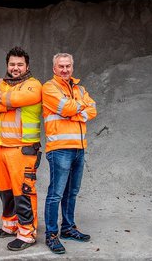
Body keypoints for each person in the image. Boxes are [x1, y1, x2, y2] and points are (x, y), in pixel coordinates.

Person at [0, 46, 42, 251]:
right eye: (12, 64)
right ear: (7, 65)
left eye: (20, 64)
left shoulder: (33, 85)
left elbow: (18, 99)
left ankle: (27, 233)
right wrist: (7, 102)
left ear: (27, 66)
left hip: (21, 149)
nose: (15, 68)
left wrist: (1, 99)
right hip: (0, 147)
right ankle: (10, 225)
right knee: (5, 191)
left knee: (23, 191)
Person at [42, 53, 97, 254]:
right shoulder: (49, 88)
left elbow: (92, 109)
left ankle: (68, 228)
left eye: (68, 66)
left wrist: (74, 111)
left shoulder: (80, 89)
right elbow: (66, 108)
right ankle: (51, 234)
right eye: (61, 66)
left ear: (72, 67)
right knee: (56, 194)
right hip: (59, 149)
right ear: (54, 68)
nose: (65, 70)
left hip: (79, 149)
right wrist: (76, 110)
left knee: (71, 192)